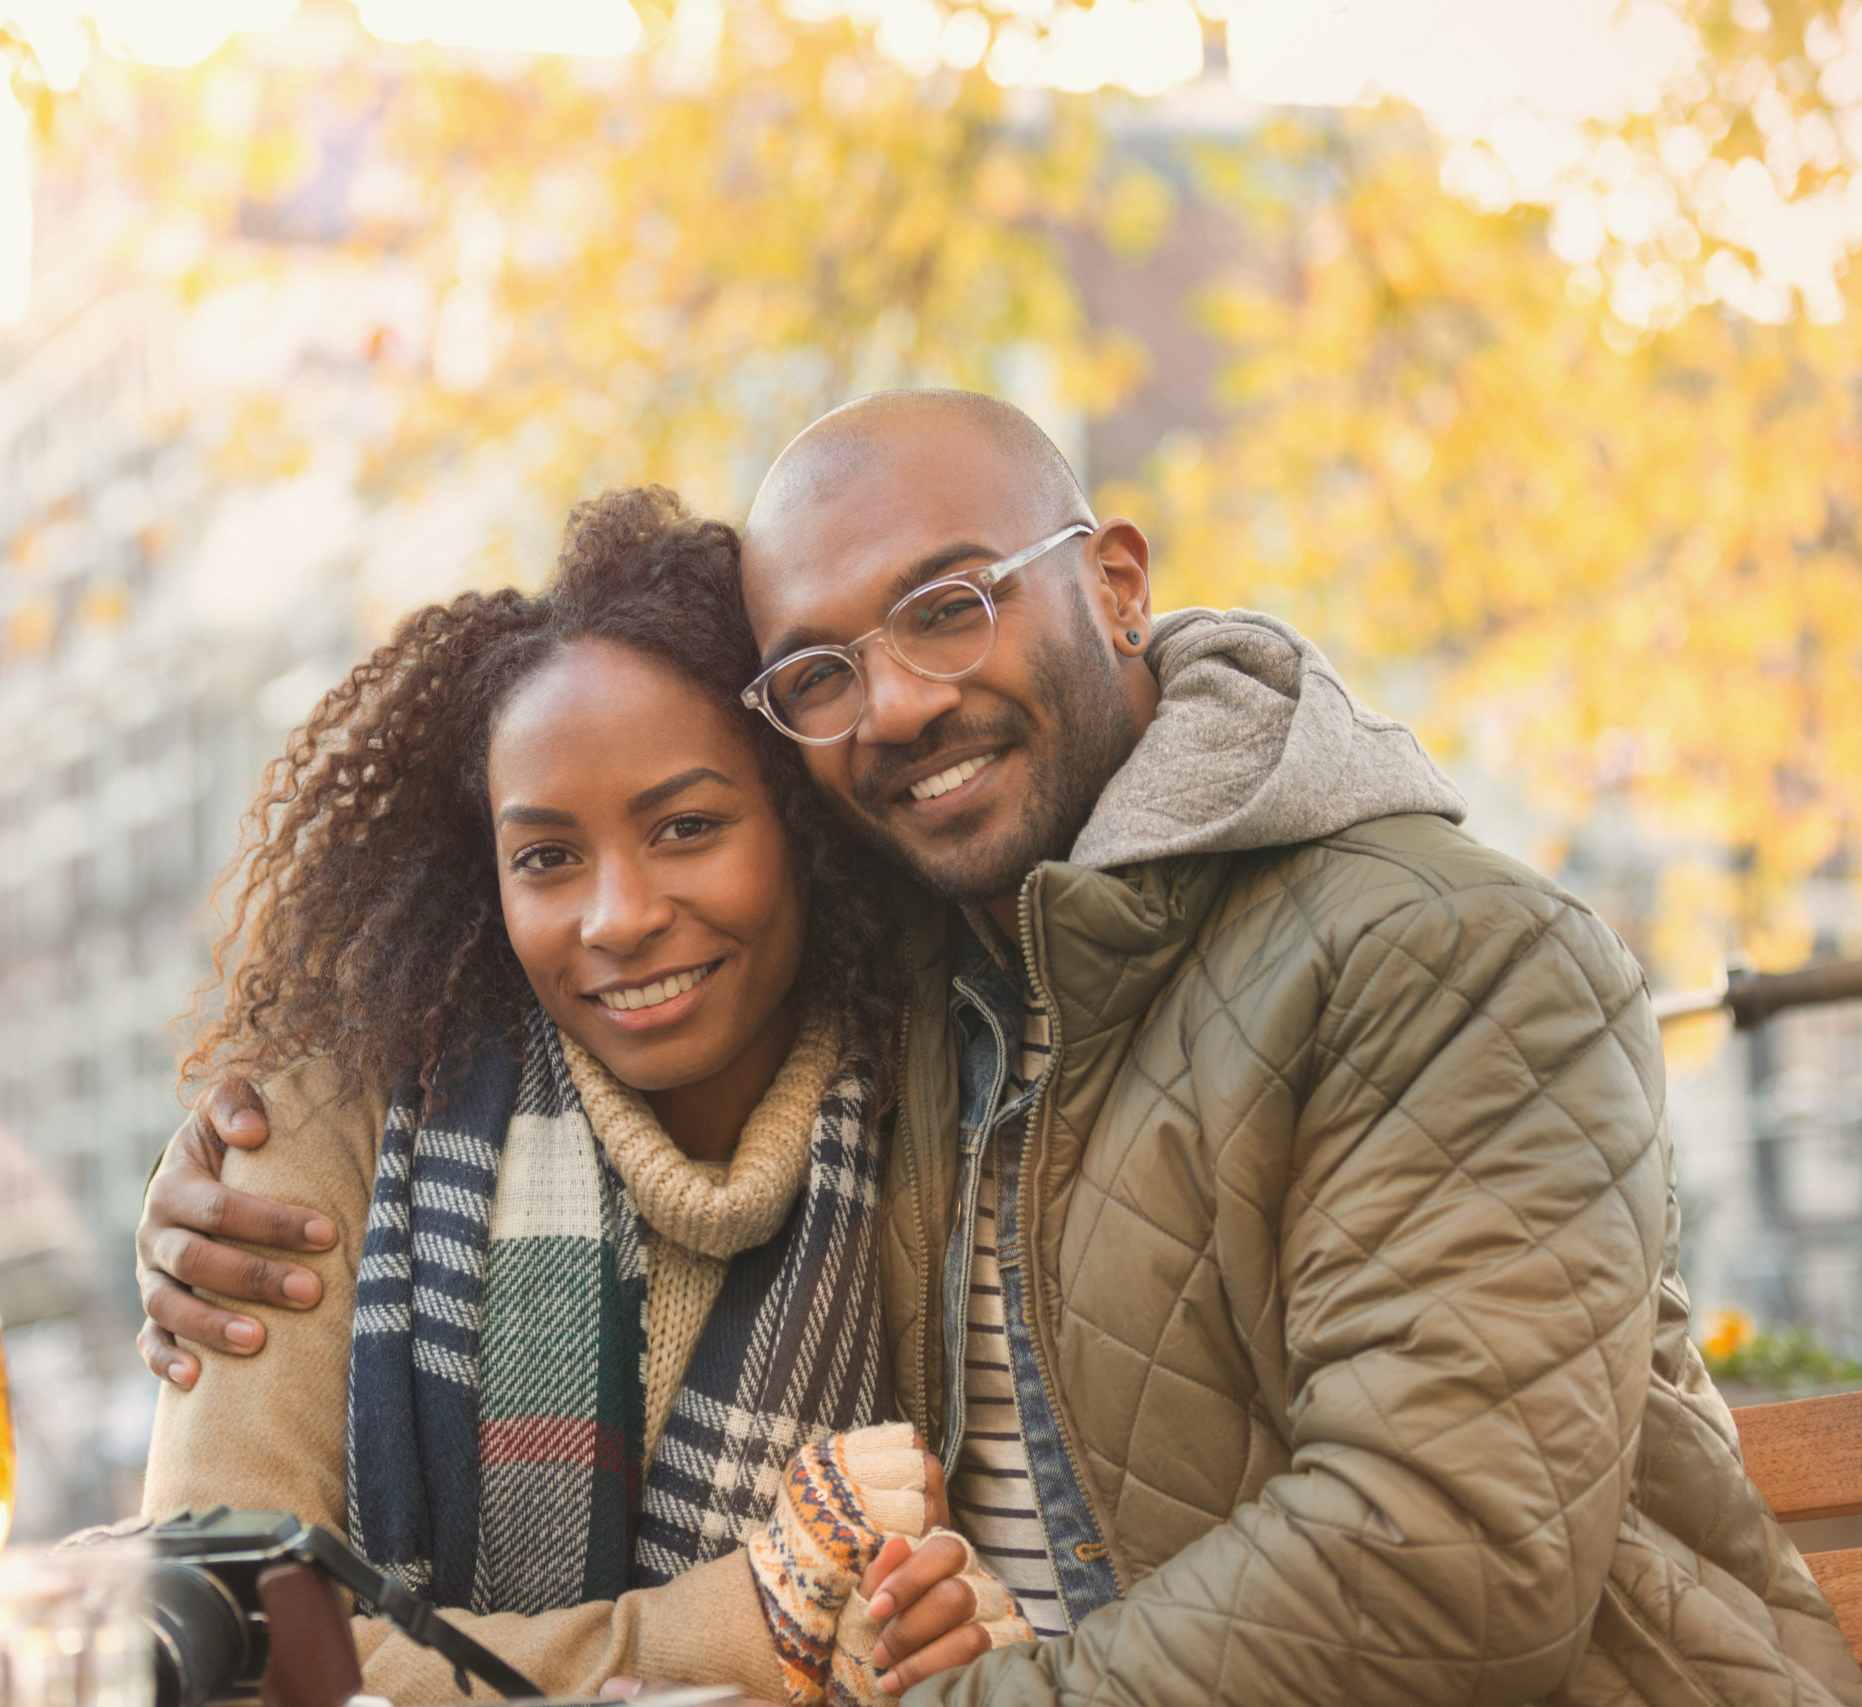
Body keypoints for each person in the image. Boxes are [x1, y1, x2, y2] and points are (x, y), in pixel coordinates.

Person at [137, 392, 1862, 1705]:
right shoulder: (925, 982)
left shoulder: (1451, 952)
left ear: (1114, 581)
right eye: (817, 671)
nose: (891, 702)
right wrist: (233, 1155)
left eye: (949, 605)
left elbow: (1452, 1554)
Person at [140, 485, 1028, 1707]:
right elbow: (226, 1652)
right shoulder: (317, 1142)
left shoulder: (950, 1105)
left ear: (801, 824)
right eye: (547, 858)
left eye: (686, 827)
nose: (617, 917)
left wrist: (946, 1641)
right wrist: (738, 1632)